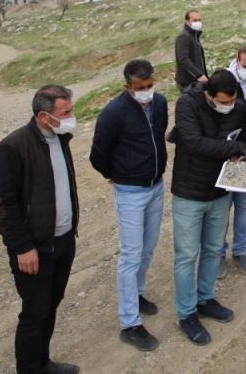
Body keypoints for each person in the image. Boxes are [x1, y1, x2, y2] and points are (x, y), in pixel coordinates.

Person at [170, 69, 246, 345]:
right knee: (187, 255)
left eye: (232, 101)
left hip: (220, 191)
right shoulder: (187, 104)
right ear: (209, 95)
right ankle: (187, 314)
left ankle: (205, 299)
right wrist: (236, 148)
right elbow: (194, 142)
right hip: (189, 192)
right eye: (222, 101)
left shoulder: (235, 106)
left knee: (213, 249)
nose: (228, 106)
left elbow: (242, 137)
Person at [0, 85, 80, 374]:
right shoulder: (12, 147)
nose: (71, 117)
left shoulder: (59, 136)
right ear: (44, 116)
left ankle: (43, 363)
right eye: (65, 112)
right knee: (34, 312)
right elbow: (5, 204)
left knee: (51, 304)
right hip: (35, 248)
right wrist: (22, 247)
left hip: (64, 240)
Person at [90, 60, 168, 352]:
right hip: (130, 191)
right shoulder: (113, 112)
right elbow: (98, 154)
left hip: (156, 186)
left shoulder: (160, 103)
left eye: (150, 86)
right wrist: (117, 174)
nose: (147, 92)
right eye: (140, 88)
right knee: (131, 254)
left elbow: (158, 136)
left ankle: (136, 294)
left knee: (148, 248)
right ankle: (129, 323)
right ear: (128, 87)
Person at [218, 43, 246, 277]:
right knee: (222, 209)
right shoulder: (224, 80)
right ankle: (218, 254)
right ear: (237, 60)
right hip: (227, 156)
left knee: (243, 207)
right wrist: (231, 150)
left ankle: (240, 251)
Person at [175, 9, 207, 91]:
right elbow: (183, 59)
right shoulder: (184, 37)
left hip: (196, 80)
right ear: (187, 21)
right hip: (188, 82)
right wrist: (199, 75)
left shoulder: (194, 36)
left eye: (199, 20)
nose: (198, 22)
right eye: (195, 20)